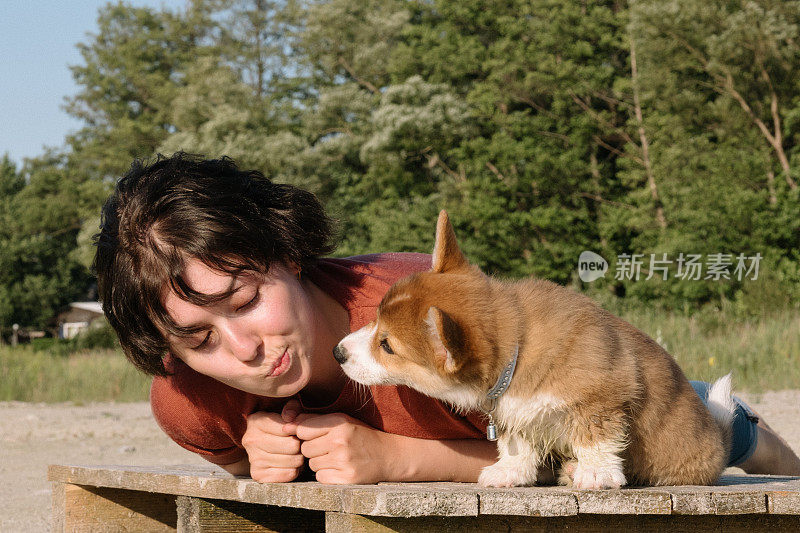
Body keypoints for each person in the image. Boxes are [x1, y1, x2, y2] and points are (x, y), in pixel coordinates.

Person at [93, 152, 800, 484]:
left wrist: (398, 458)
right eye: (200, 338)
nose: (243, 348)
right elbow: (239, 461)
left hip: (605, 403)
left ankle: (740, 425)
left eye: (244, 300)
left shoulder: (420, 318)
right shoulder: (189, 397)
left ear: (288, 251)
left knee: (700, 435)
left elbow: (549, 448)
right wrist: (252, 457)